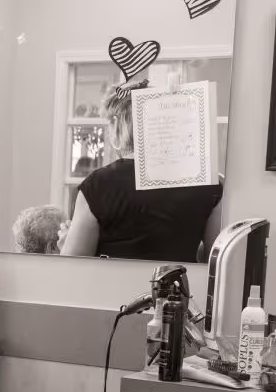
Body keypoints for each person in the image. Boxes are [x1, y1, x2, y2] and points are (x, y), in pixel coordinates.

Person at [61, 78, 224, 261]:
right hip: (180, 287)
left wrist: (68, 241)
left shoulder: (98, 184)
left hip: (112, 288)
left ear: (116, 125)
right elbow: (215, 262)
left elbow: (73, 265)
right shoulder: (207, 182)